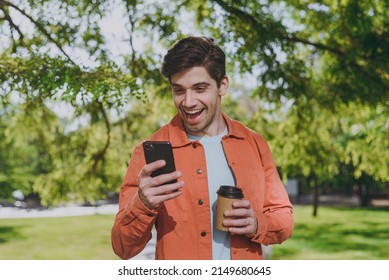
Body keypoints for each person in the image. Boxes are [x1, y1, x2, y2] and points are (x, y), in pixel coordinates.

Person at [111, 36, 293, 260]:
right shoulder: (148, 154)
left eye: (199, 88)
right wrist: (143, 203)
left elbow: (284, 217)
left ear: (222, 85)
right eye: (179, 90)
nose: (188, 102)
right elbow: (123, 247)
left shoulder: (254, 144)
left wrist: (257, 224)